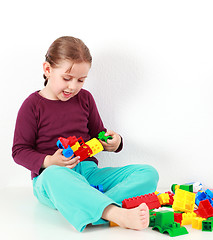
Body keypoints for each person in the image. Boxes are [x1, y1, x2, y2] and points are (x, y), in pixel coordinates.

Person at [12, 36, 159, 232]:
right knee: (54, 175)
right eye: (67, 78)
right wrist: (49, 162)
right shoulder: (32, 105)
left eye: (81, 80)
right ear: (48, 70)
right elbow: (19, 151)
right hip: (53, 179)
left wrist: (114, 142)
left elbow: (99, 136)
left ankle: (92, 207)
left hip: (89, 175)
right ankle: (115, 213)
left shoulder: (85, 99)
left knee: (148, 173)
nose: (73, 86)